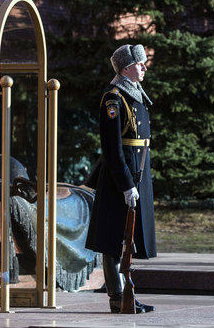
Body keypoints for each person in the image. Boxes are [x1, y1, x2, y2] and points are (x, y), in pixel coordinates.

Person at [85, 44, 156, 313]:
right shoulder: (113, 98)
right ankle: (117, 297)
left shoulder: (135, 94)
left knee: (129, 240)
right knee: (114, 241)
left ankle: (129, 294)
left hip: (137, 175)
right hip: (120, 179)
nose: (144, 67)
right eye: (139, 63)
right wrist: (126, 185)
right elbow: (113, 149)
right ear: (126, 67)